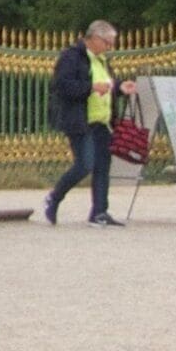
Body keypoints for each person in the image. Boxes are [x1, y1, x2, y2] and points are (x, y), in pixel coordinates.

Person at [36, 20, 130, 227]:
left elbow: (106, 85)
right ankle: (54, 197)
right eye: (107, 42)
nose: (109, 47)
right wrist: (91, 87)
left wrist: (120, 88)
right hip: (80, 119)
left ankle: (99, 212)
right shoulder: (71, 57)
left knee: (102, 167)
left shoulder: (102, 60)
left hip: (102, 121)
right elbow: (63, 86)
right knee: (85, 164)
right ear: (94, 38)